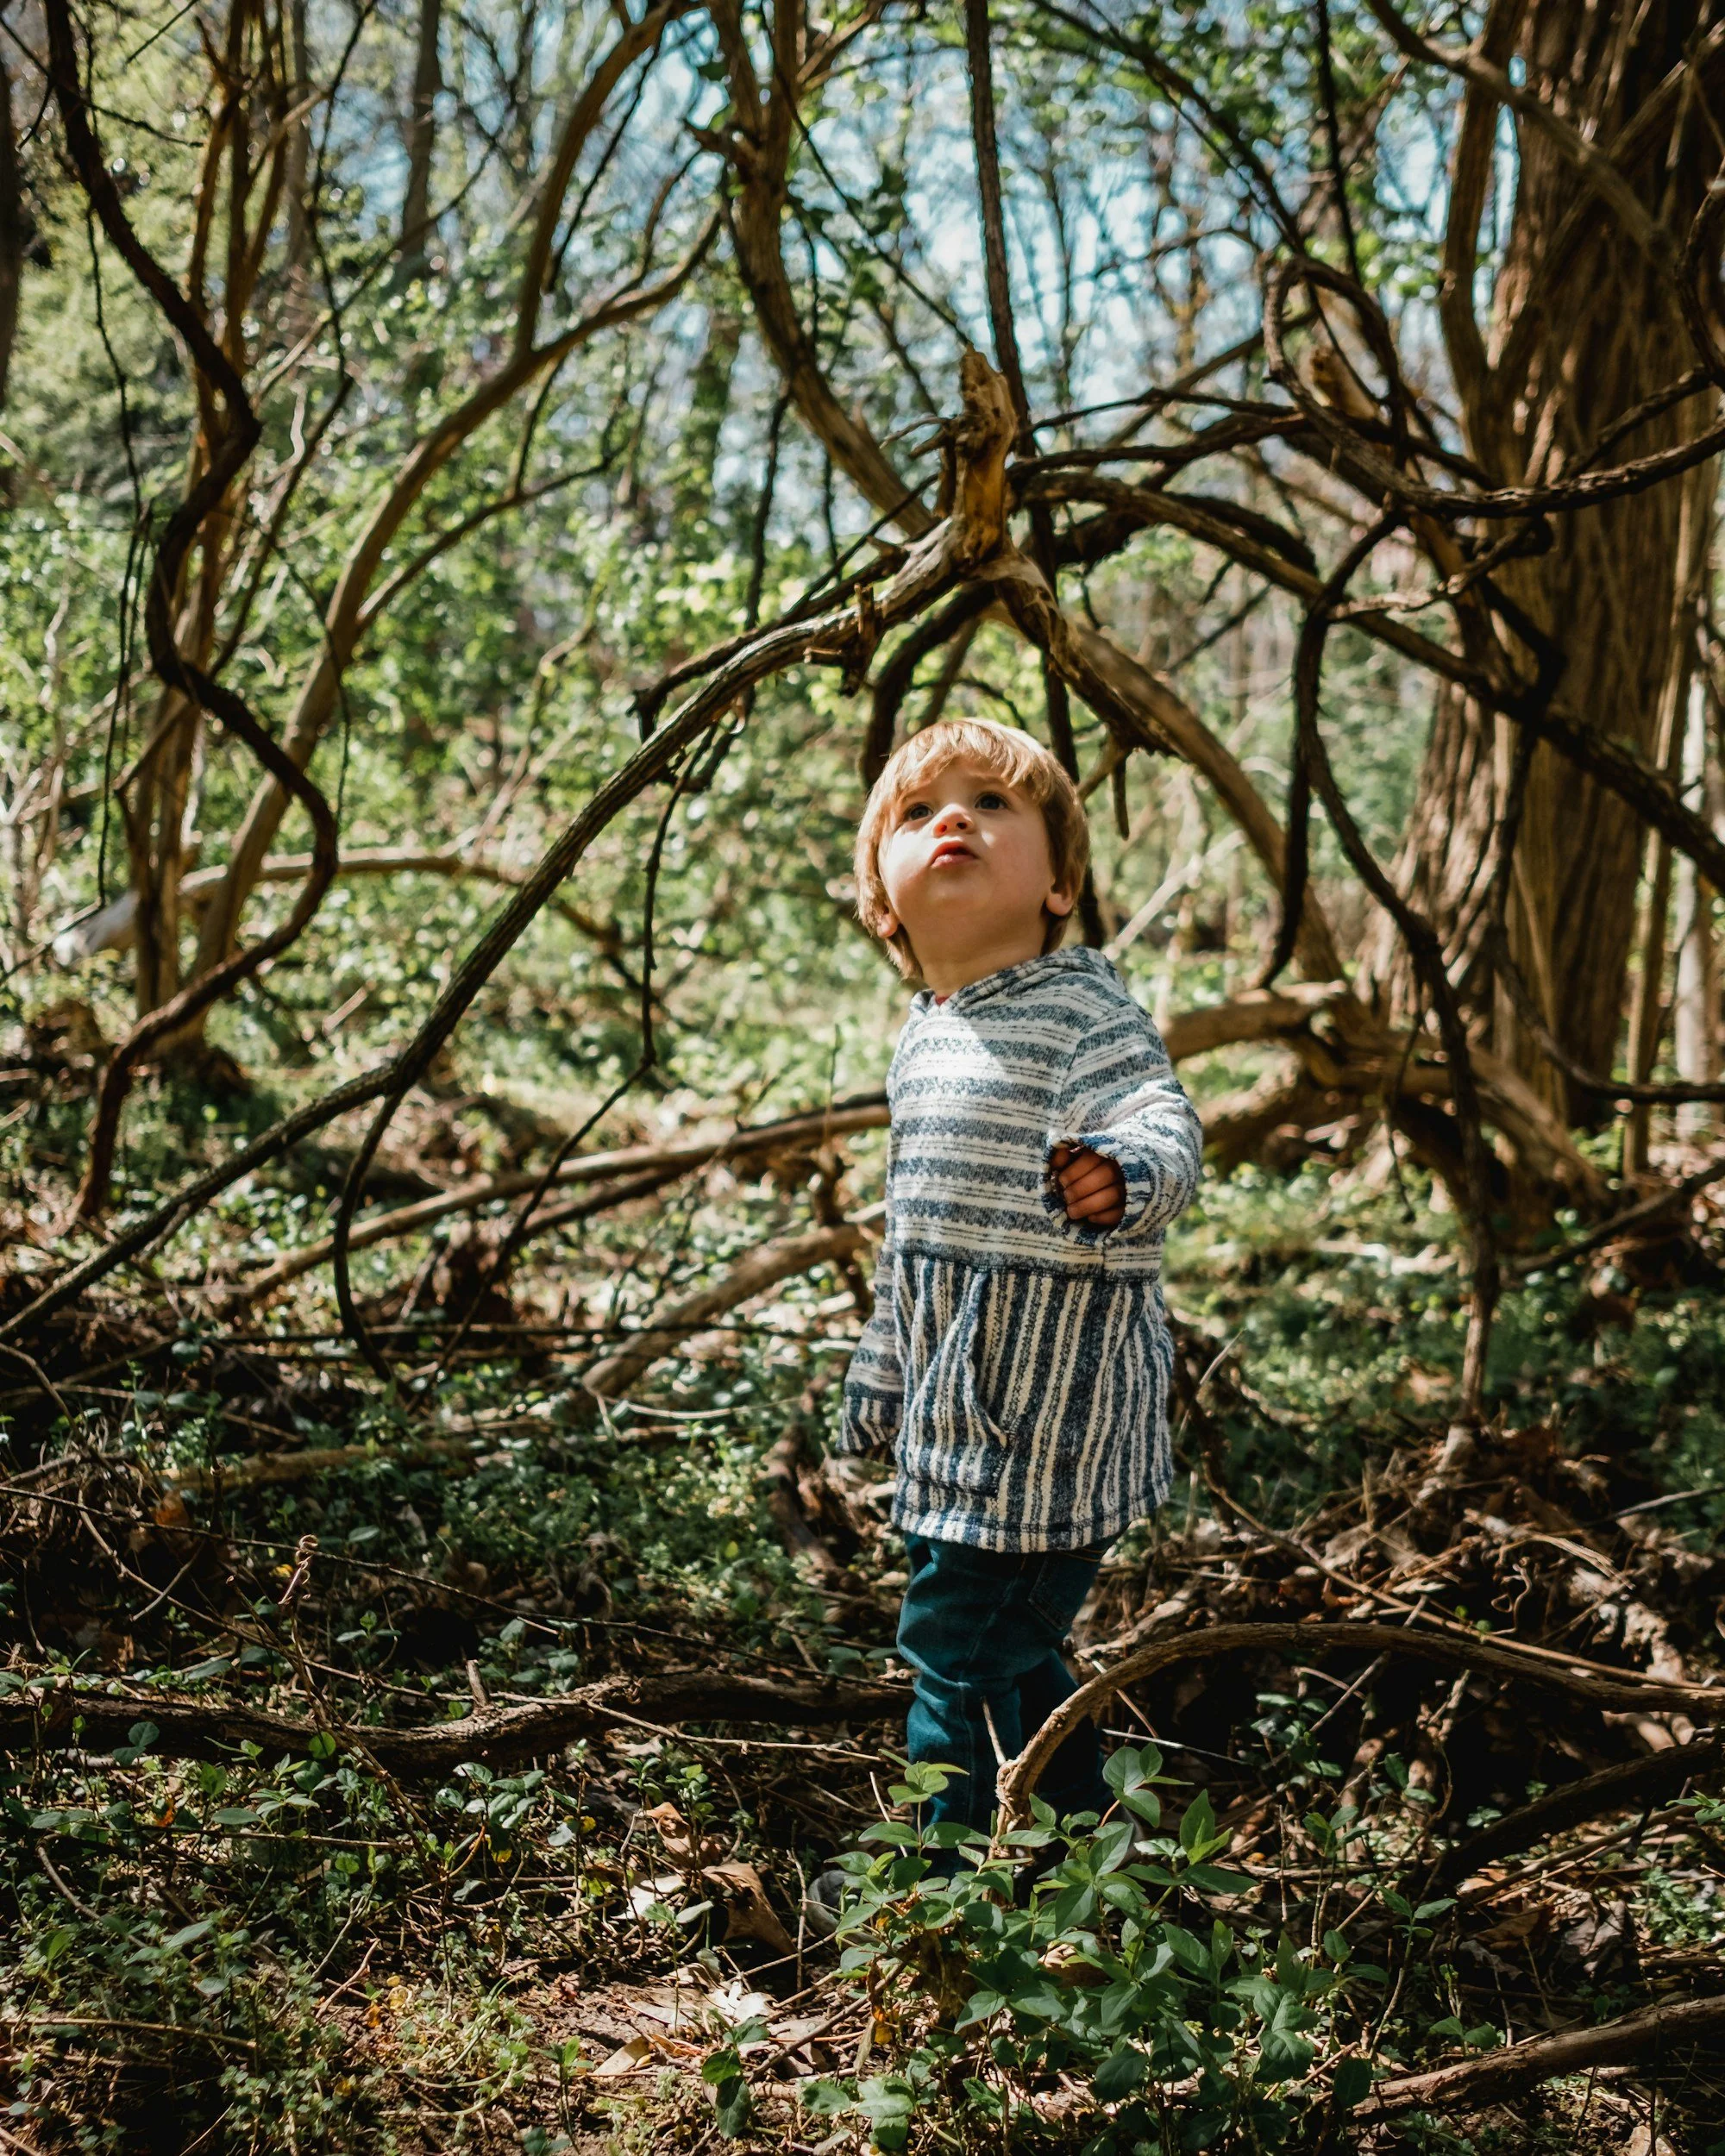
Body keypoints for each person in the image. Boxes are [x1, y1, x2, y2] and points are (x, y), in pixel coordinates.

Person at [831, 717, 1203, 1852]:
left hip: (1056, 1433)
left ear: (1060, 884)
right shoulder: (924, 1037)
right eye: (920, 809)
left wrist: (1126, 1174)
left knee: (953, 1650)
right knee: (1013, 1654)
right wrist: (882, 1376)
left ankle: (931, 1887)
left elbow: (1162, 1118)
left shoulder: (1080, 1010)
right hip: (963, 1433)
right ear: (880, 898)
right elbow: (915, 1249)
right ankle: (1090, 1845)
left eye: (993, 805)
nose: (956, 818)